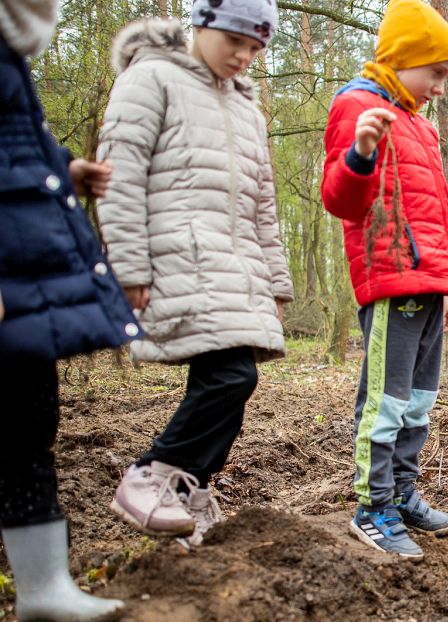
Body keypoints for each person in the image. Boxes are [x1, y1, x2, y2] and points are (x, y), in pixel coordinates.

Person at [98, 3, 293, 550]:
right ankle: (152, 473)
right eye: (235, 40)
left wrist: (275, 283)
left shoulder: (246, 108)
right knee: (233, 378)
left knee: (228, 384)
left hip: (234, 270)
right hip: (177, 261)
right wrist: (129, 266)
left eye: (256, 48)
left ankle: (192, 491)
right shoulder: (151, 78)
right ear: (202, 24)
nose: (244, 56)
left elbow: (262, 206)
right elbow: (120, 175)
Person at [0, 0, 142, 622]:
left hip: (21, 259)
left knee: (30, 420)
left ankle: (43, 587)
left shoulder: (10, 54)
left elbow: (11, 144)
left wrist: (62, 166)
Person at [321, 0, 448, 560]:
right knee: (385, 402)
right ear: (405, 60)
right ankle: (372, 507)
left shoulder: (421, 128)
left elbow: (439, 214)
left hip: (429, 286)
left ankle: (403, 494)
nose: (440, 89)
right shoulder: (356, 106)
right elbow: (341, 201)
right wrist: (359, 151)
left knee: (419, 402)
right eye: (436, 75)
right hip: (390, 280)